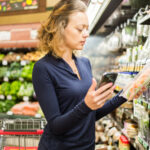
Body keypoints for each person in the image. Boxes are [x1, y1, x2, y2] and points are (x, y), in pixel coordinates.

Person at [32, 0, 144, 149]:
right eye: (80, 29)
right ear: (60, 28)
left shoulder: (84, 63)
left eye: (87, 28)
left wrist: (125, 94)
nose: (86, 34)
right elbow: (56, 125)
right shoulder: (43, 68)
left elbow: (91, 114)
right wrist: (86, 105)